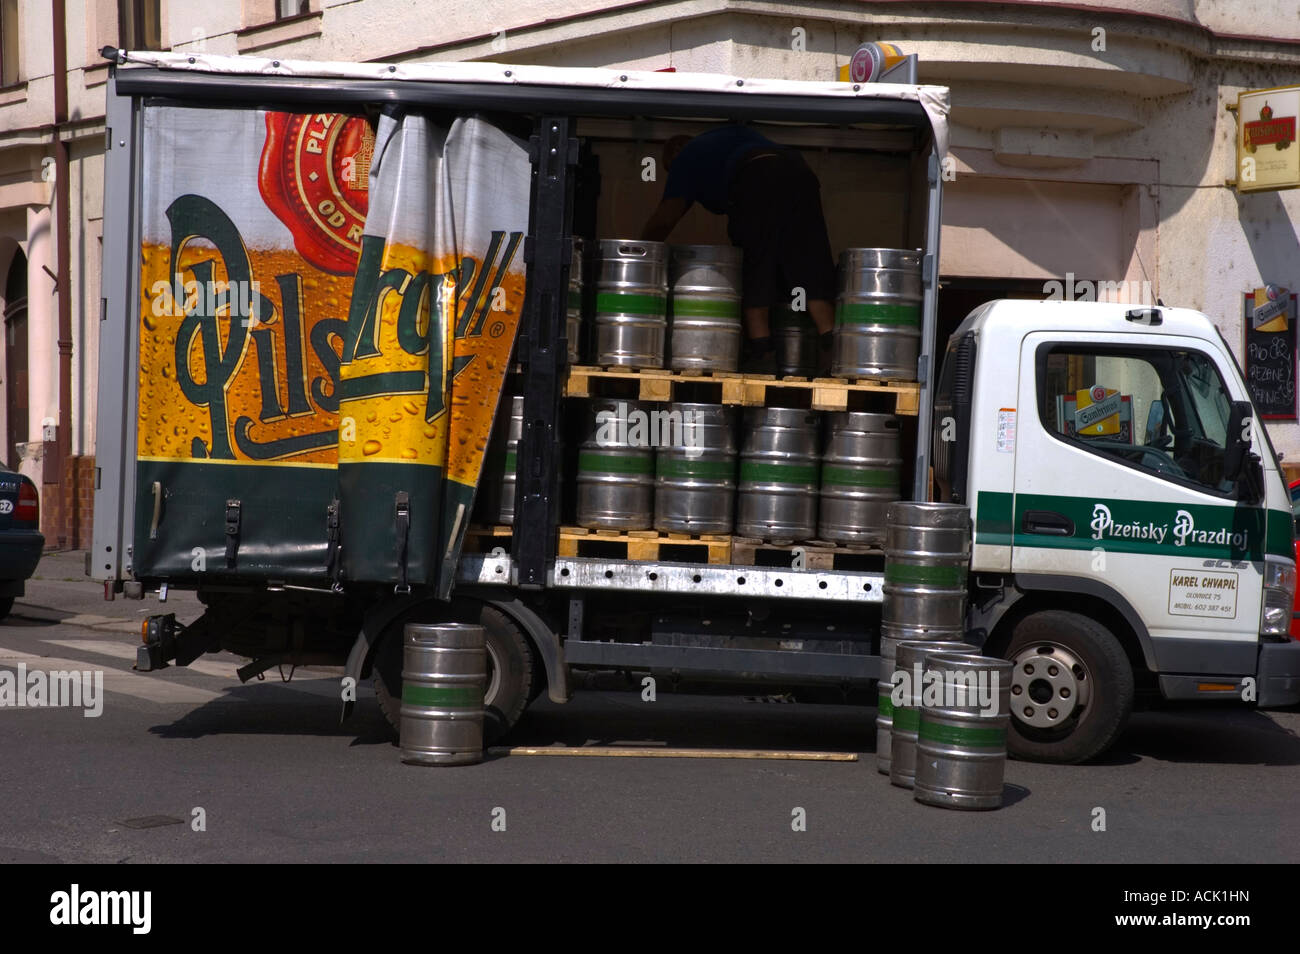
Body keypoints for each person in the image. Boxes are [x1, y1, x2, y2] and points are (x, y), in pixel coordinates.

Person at [641, 125, 836, 373]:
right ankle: (831, 347)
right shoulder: (725, 138)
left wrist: (643, 248)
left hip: (757, 176)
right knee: (807, 260)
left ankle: (761, 352)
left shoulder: (686, 155)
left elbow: (666, 217)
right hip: (799, 170)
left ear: (676, 150)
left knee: (755, 262)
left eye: (670, 169)